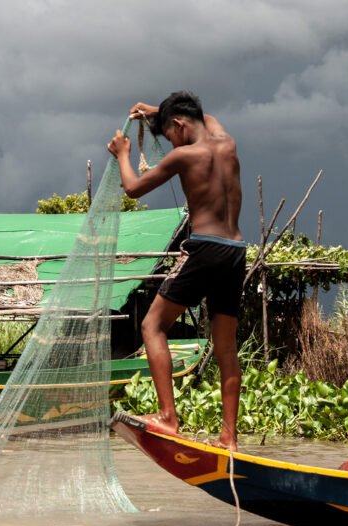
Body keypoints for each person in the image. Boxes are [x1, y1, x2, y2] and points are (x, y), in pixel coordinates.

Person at [107, 91, 245, 452]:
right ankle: (229, 437)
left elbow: (134, 188)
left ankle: (168, 418)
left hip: (205, 248)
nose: (168, 141)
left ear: (180, 126)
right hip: (235, 251)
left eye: (168, 134)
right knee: (226, 348)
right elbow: (205, 115)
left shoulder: (185, 155)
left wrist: (123, 154)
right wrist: (157, 112)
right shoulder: (226, 141)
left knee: (152, 325)